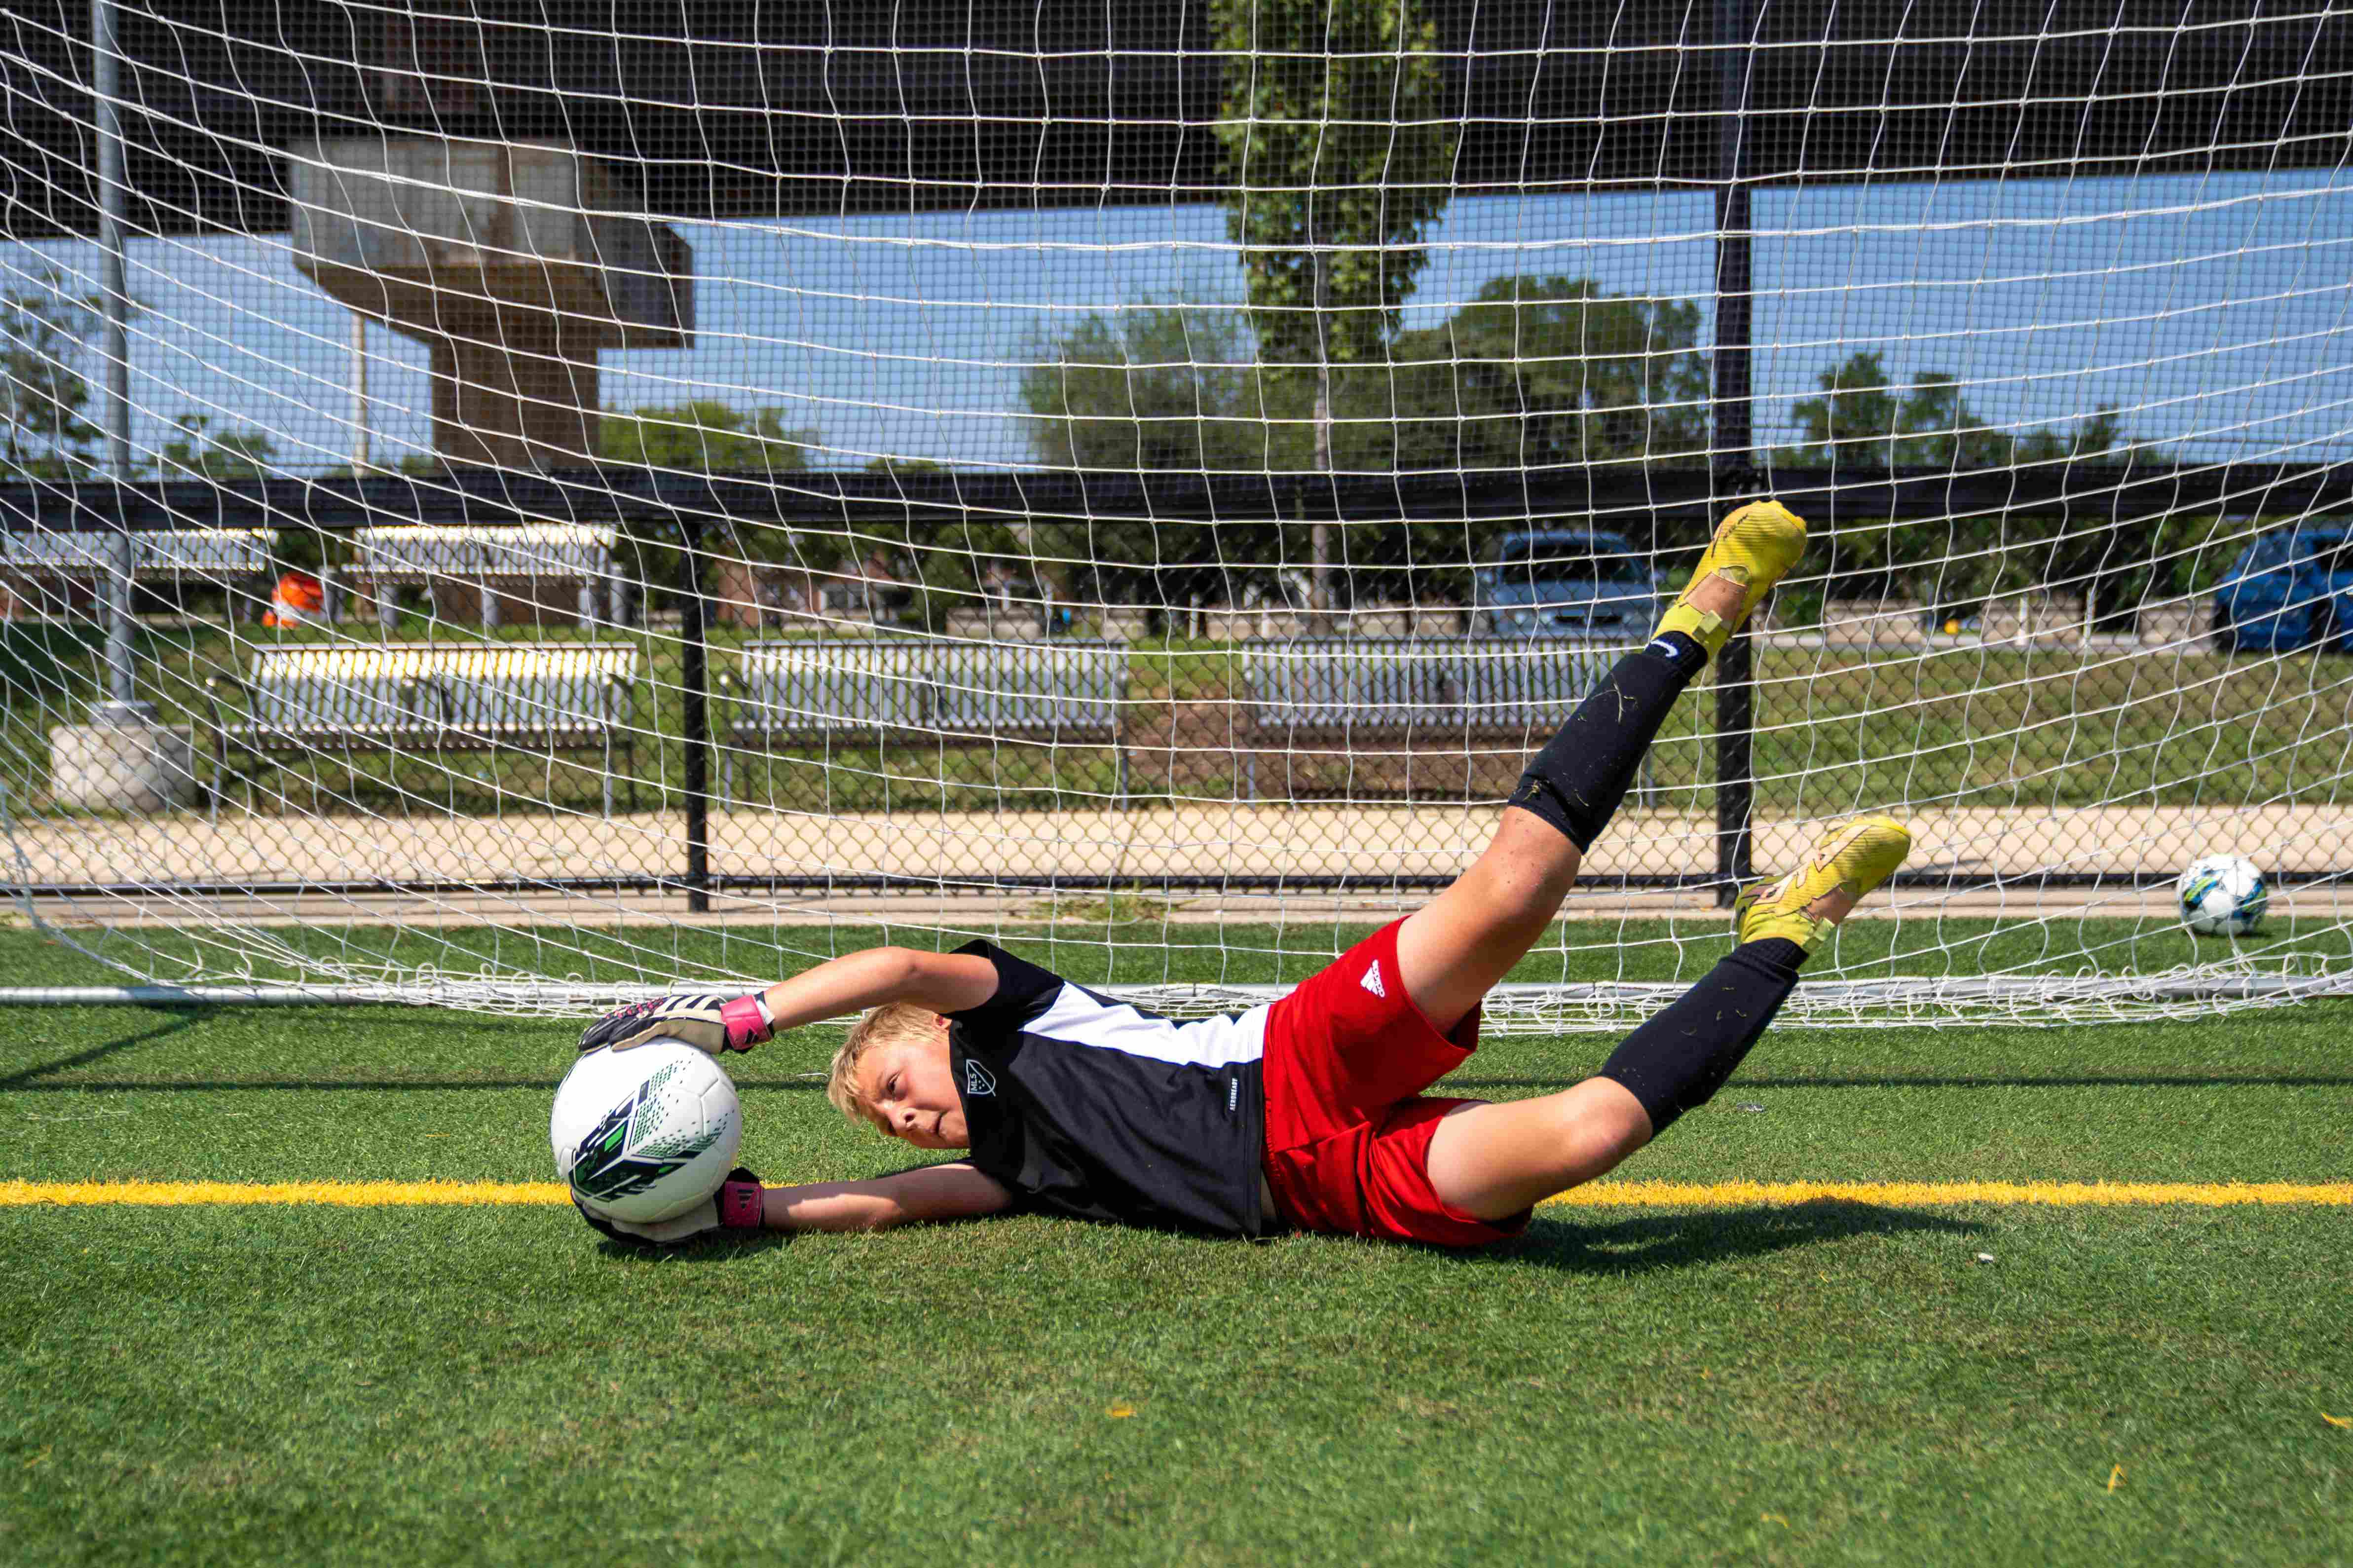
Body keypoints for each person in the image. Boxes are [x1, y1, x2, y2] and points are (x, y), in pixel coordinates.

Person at [570, 503, 1912, 1249]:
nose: (908, 1117)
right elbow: (902, 1200)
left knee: (1509, 887)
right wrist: (752, 1207)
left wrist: (746, 1017)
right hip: (1318, 1193)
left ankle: (1696, 619)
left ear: (932, 1037)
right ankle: (1784, 926)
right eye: (889, 1117)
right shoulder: (1008, 1164)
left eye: (899, 1086)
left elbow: (898, 963)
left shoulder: (1004, 1011)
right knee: (1587, 1138)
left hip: (1291, 1060)